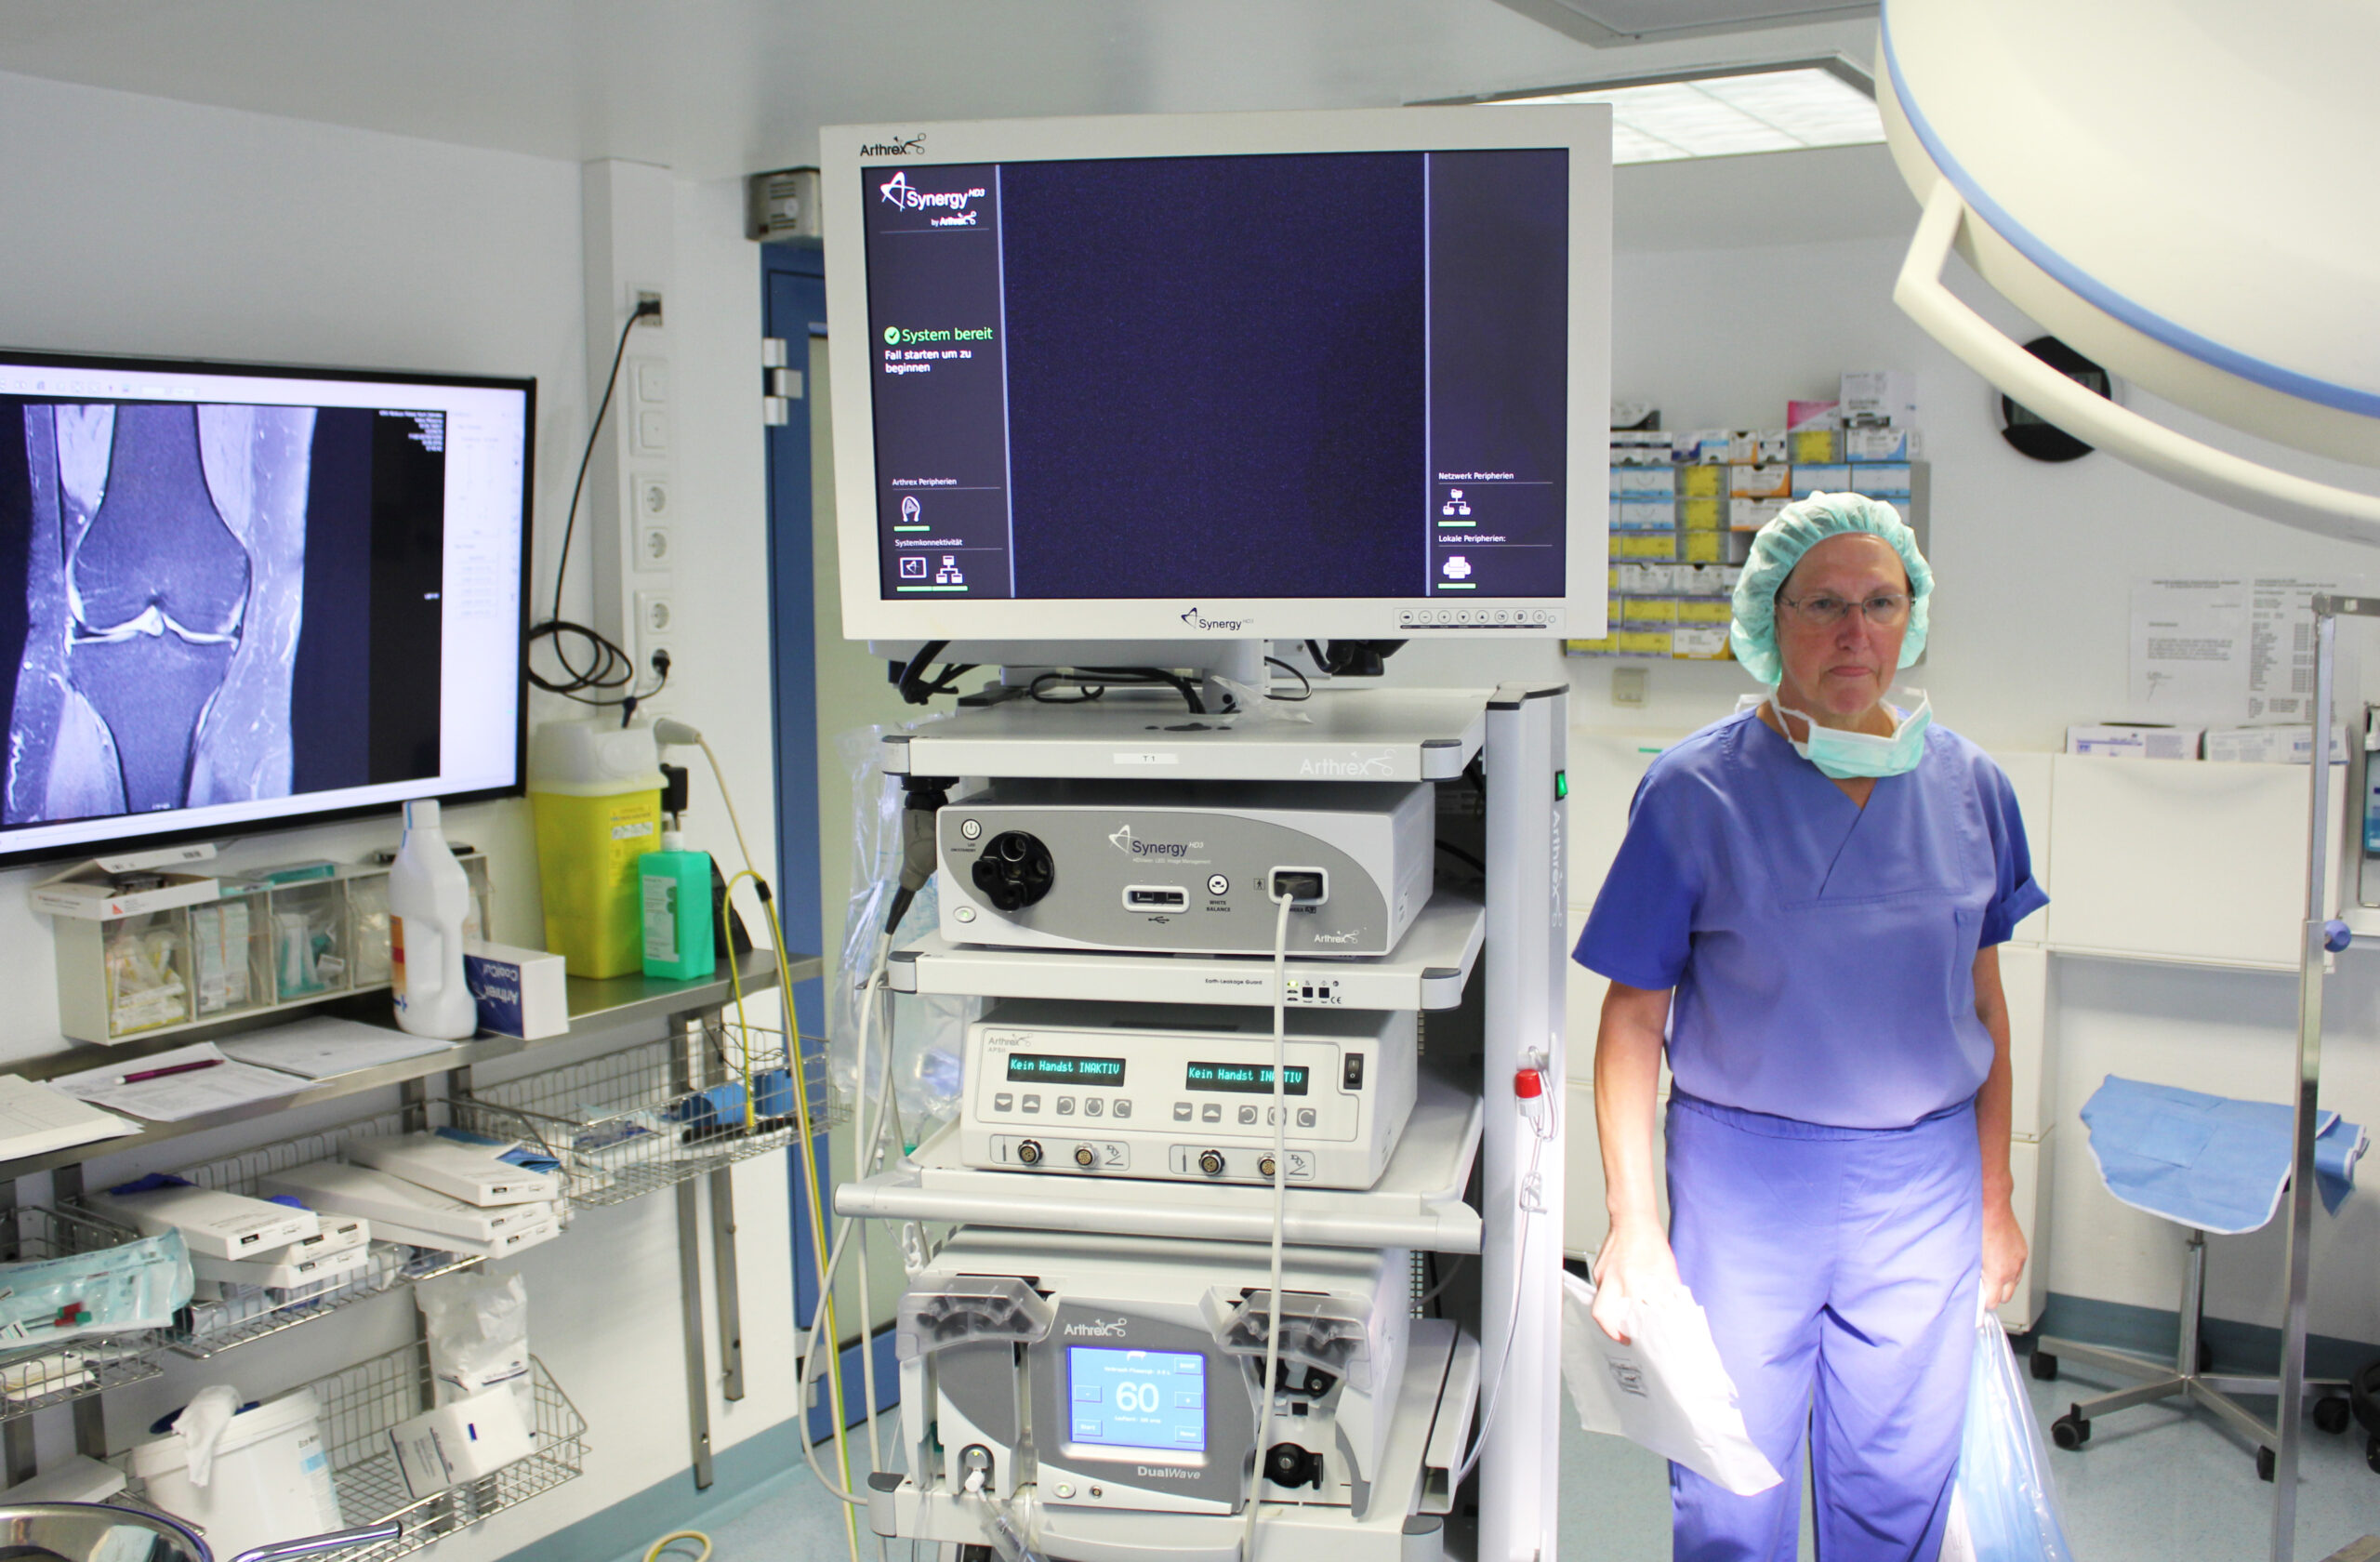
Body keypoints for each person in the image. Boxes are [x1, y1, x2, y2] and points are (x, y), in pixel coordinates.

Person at [1574, 493, 2046, 1562]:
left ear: (1911, 618)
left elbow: (1984, 1006)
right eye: (1823, 604)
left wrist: (1994, 1200)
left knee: (1898, 1488)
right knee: (1728, 1490)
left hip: (1922, 1190)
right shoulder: (1695, 791)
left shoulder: (1972, 788)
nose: (1853, 632)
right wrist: (1634, 1225)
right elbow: (1632, 1021)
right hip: (1744, 1185)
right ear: (1768, 618)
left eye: (1880, 603)